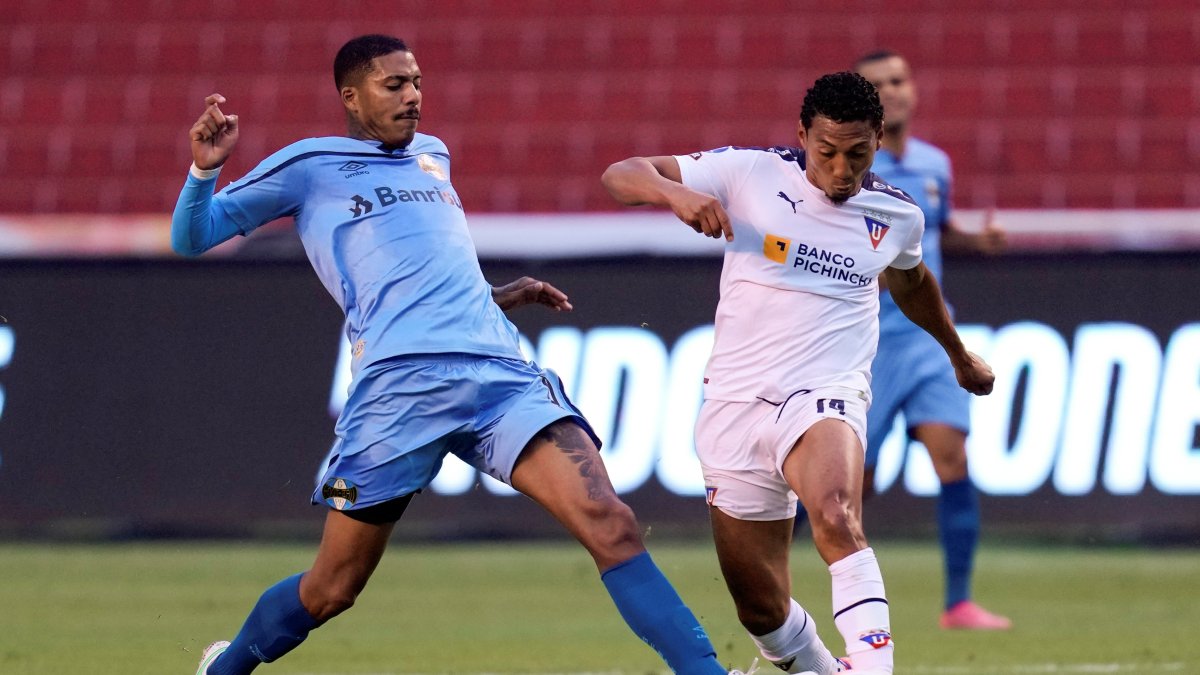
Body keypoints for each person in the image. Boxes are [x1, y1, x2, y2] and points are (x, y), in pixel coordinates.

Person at [174, 34, 731, 675]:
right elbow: (193, 237)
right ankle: (226, 667)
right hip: (399, 387)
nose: (413, 97)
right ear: (350, 96)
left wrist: (493, 294)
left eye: (417, 83)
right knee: (333, 589)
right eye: (394, 85)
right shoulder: (309, 164)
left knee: (611, 521)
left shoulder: (434, 155)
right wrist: (204, 171)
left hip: (497, 373)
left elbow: (420, 260)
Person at [602, 72, 995, 675]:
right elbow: (622, 172)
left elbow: (912, 282)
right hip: (735, 403)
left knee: (837, 513)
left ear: (878, 139)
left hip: (826, 391)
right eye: (827, 152)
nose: (841, 170)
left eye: (858, 155)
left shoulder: (895, 213)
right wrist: (675, 195)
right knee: (761, 608)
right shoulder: (750, 172)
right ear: (802, 135)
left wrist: (958, 354)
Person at [854, 50, 1011, 631]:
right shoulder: (846, 170)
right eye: (877, 85)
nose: (892, 91)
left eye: (899, 80)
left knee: (952, 454)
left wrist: (978, 243)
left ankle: (959, 603)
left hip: (930, 339)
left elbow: (937, 238)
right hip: (866, 346)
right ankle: (774, 588)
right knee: (849, 488)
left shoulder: (933, 165)